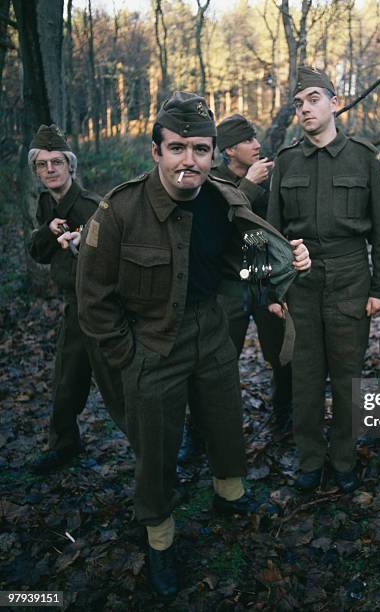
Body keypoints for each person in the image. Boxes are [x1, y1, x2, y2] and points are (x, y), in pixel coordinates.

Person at [76, 92, 310, 599]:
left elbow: (240, 262)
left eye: (200, 150)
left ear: (212, 154)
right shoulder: (118, 211)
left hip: (210, 331)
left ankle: (230, 495)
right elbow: (93, 301)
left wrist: (283, 266)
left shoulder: (224, 200)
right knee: (156, 449)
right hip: (152, 342)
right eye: (177, 148)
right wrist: (129, 355)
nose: (190, 161)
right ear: (156, 151)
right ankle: (160, 539)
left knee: (225, 421)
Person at [268, 66, 380, 494]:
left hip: (350, 278)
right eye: (299, 104)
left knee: (347, 378)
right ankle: (309, 460)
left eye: (313, 100)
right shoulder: (287, 161)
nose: (305, 109)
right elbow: (269, 233)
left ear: (335, 103)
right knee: (304, 379)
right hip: (300, 282)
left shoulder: (365, 156)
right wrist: (274, 289)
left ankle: (342, 460)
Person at [27, 124, 126, 475]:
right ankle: (64, 445)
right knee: (67, 381)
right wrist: (47, 231)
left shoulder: (89, 206)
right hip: (74, 309)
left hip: (101, 309)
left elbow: (114, 260)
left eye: (57, 162)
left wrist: (81, 246)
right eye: (42, 164)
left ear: (71, 166)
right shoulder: (45, 203)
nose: (50, 169)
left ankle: (153, 450)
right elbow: (37, 253)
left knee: (118, 388)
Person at [212, 114, 292, 431]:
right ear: (230, 150)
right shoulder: (213, 180)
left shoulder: (267, 177)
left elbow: (276, 225)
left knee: (280, 353)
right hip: (228, 283)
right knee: (219, 359)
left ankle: (284, 415)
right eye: (248, 141)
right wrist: (249, 185)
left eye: (255, 138)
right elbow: (220, 225)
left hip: (263, 277)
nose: (257, 145)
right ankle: (212, 426)